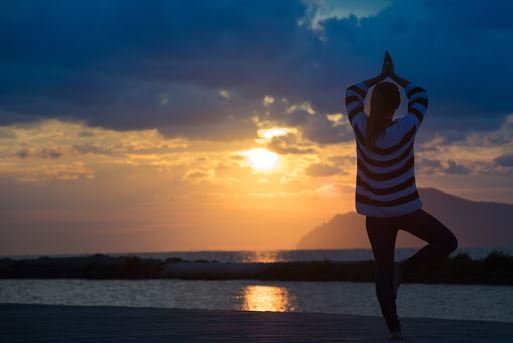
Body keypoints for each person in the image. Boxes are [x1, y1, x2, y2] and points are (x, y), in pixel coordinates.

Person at [344, 51, 458, 340]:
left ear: (371, 104)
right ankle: (404, 270)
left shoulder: (360, 127)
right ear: (396, 107)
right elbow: (420, 95)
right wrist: (394, 77)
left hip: (375, 214)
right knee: (447, 242)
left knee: (382, 271)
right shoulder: (406, 128)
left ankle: (395, 330)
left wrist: (378, 78)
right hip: (406, 209)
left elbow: (351, 92)